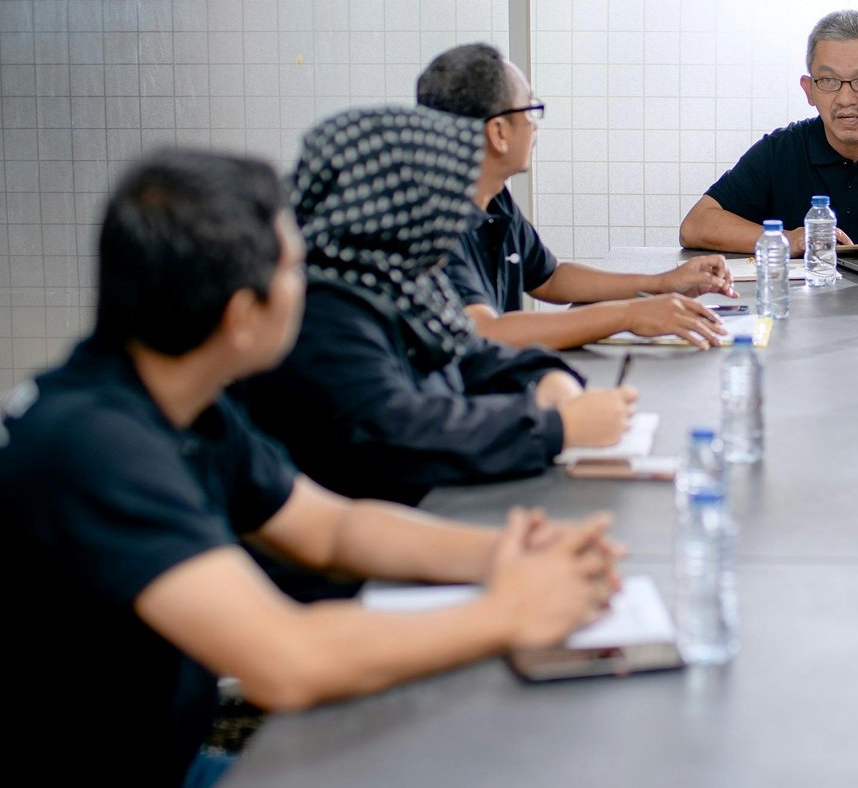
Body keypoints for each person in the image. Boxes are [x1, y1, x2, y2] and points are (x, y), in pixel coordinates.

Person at [0, 148, 622, 788]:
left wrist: (505, 554)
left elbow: (330, 530)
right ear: (242, 316)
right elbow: (286, 660)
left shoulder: (178, 402)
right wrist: (510, 612)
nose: (314, 287)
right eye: (297, 269)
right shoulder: (97, 445)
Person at [239, 106, 636, 507]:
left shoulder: (406, 281)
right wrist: (555, 427)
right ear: (397, 202)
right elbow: (403, 432)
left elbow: (473, 355)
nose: (460, 214)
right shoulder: (323, 311)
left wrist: (547, 377)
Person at [418, 43, 736, 351]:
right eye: (530, 109)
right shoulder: (431, 223)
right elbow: (486, 333)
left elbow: (550, 278)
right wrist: (630, 314)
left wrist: (661, 284)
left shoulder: (494, 197)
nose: (535, 127)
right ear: (499, 132)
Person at [678, 9, 858, 254]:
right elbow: (696, 225)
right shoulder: (781, 150)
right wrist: (790, 239)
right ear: (809, 90)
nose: (846, 99)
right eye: (829, 81)